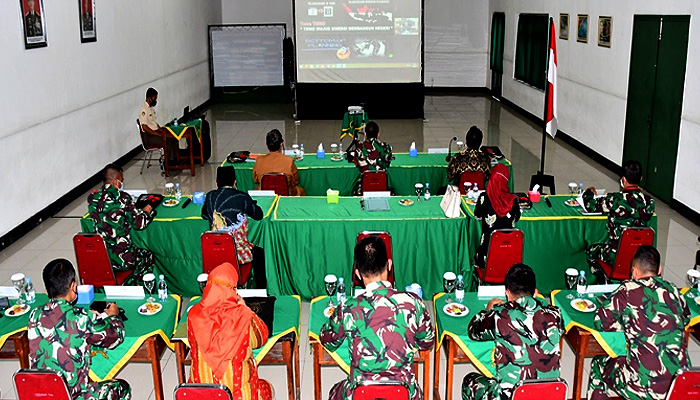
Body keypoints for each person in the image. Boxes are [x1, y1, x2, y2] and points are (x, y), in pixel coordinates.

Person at [321, 236, 435, 400]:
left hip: (360, 393)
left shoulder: (348, 308)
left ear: (357, 273)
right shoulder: (413, 303)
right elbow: (427, 343)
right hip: (405, 393)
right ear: (389, 265)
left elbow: (327, 340)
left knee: (334, 391)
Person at [587, 246, 689, 400]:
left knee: (598, 364)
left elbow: (601, 322)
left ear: (634, 272)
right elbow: (685, 318)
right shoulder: (673, 290)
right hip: (679, 384)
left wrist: (625, 326)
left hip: (641, 386)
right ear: (659, 269)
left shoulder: (627, 289)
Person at [28, 259, 130, 400]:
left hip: (42, 394)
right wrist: (114, 316)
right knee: (122, 388)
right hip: (73, 396)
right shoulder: (81, 318)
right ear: (73, 286)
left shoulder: (35, 314)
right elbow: (115, 337)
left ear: (46, 291)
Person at [462, 263, 563, 400]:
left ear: (507, 292)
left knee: (470, 381)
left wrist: (488, 310)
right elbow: (559, 329)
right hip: (549, 394)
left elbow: (473, 331)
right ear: (535, 292)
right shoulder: (555, 314)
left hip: (512, 395)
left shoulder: (499, 314)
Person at [187, 262, 273, 400]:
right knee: (266, 387)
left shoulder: (193, 315)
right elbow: (261, 338)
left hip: (199, 395)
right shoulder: (244, 316)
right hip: (238, 396)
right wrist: (245, 308)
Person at [583, 160, 655, 283]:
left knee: (591, 250)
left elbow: (590, 205)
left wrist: (588, 193)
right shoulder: (650, 202)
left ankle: (601, 280)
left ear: (623, 180)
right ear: (641, 178)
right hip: (640, 255)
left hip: (615, 254)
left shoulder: (616, 200)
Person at [87, 164, 155, 285]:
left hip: (102, 258)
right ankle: (139, 287)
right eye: (121, 180)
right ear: (115, 181)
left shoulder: (92, 197)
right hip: (122, 259)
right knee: (147, 256)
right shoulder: (123, 198)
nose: (122, 184)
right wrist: (148, 210)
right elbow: (139, 224)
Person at [202, 166, 265, 287]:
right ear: (235, 182)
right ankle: (261, 291)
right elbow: (258, 215)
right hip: (238, 254)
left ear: (216, 183)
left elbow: (204, 214)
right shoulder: (242, 197)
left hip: (215, 253)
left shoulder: (210, 196)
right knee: (260, 252)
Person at [473, 163, 520, 269]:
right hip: (508, 257)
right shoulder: (513, 200)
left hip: (486, 257)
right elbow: (516, 217)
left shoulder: (484, 197)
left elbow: (477, 216)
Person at [252, 129, 305, 196]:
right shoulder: (289, 161)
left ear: (266, 145)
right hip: (287, 195)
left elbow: (255, 180)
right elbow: (296, 181)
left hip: (265, 195)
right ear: (281, 144)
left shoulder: (259, 160)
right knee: (300, 190)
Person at [138, 87, 179, 162]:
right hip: (150, 136)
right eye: (154, 98)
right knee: (167, 141)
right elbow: (145, 128)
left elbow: (154, 123)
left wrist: (162, 130)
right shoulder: (144, 110)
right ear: (149, 98)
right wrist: (158, 134)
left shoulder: (151, 109)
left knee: (174, 137)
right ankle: (170, 162)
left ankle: (177, 158)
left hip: (155, 132)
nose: (156, 101)